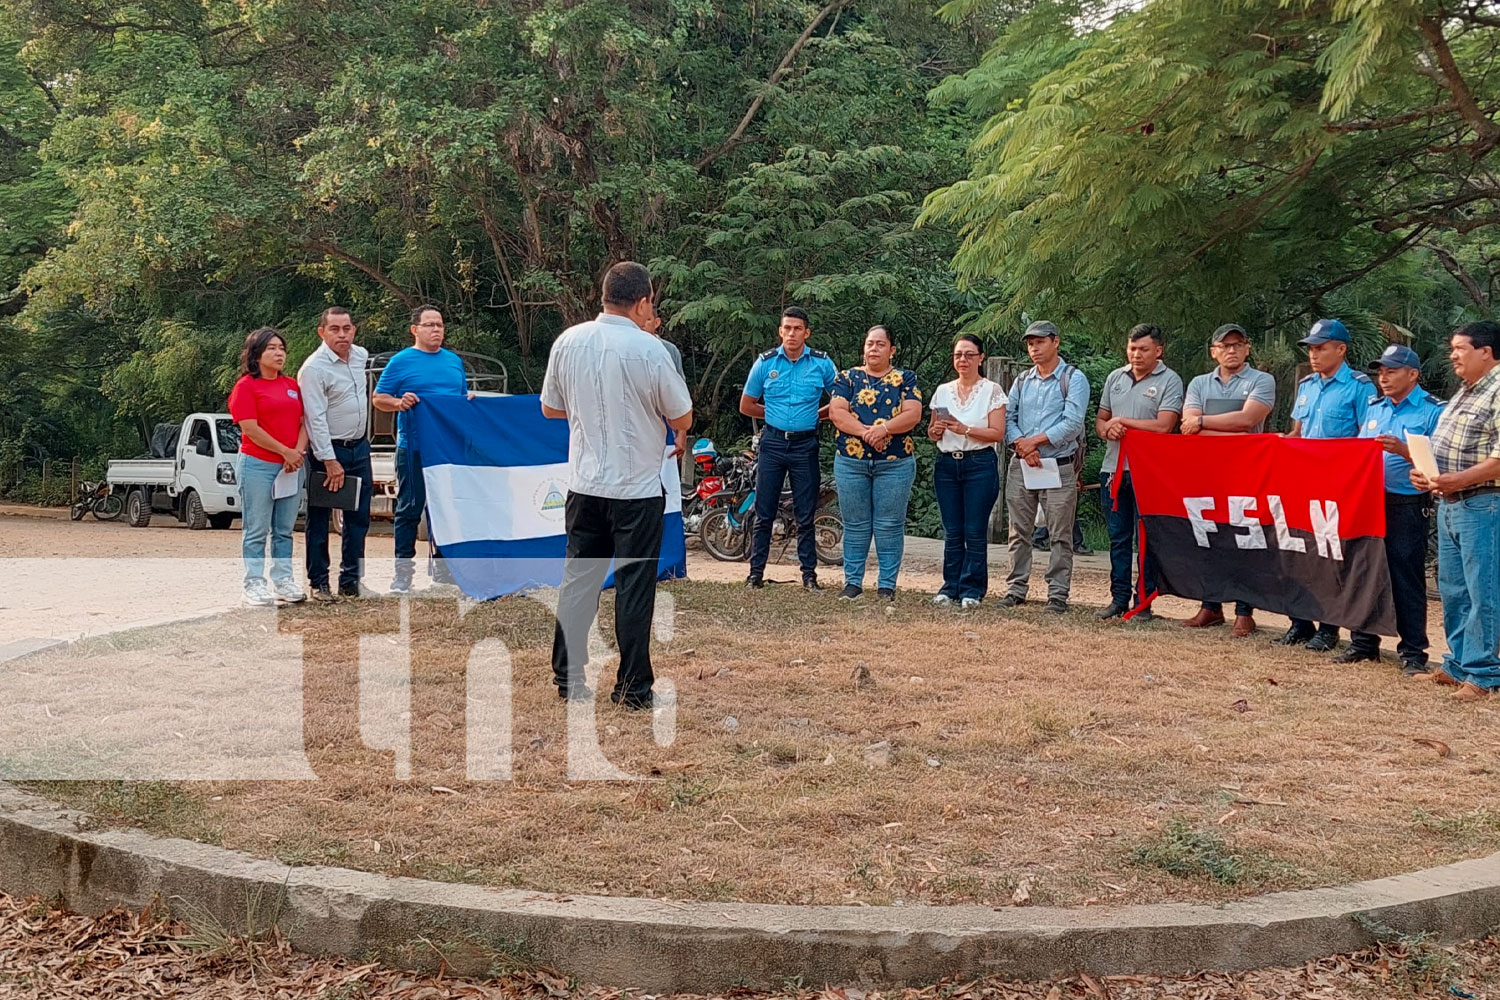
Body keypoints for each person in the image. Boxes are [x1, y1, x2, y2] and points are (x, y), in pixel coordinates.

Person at [541, 262, 694, 709]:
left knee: (579, 582)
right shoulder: (650, 350)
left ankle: (568, 678)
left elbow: (550, 409)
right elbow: (681, 417)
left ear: (603, 295)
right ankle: (632, 688)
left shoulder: (568, 341)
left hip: (585, 483)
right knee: (634, 587)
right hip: (637, 488)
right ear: (644, 301)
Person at [1410, 320, 1500, 702]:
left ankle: (1484, 674)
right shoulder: (1467, 390)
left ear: (1486, 351)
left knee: (1483, 590)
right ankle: (1458, 664)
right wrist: (1429, 475)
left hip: (1483, 503)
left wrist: (1457, 480)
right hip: (1450, 502)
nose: (1452, 355)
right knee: (1453, 588)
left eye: (1460, 348)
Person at [1341, 345, 1443, 672]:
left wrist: (1403, 451)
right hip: (1369, 502)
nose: (1383, 378)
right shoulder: (1374, 407)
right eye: (1381, 371)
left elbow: (1441, 464)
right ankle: (1363, 642)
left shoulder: (1431, 410)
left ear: (1413, 374)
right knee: (1365, 571)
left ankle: (1413, 652)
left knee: (1405, 577)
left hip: (1406, 504)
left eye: (1392, 371)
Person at [1179, 323, 1276, 636]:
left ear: (1247, 348)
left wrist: (1204, 424)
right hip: (1208, 472)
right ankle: (1210, 607)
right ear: (1214, 352)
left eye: (1237, 344)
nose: (1231, 350)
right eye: (1224, 345)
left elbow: (1249, 420)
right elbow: (1185, 426)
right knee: (1209, 536)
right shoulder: (1198, 383)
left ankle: (1245, 611)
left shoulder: (1262, 380)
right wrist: (1229, 431)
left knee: (1245, 538)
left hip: (1248, 472)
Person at [1282, 318, 1372, 651]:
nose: (1314, 355)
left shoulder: (1359, 387)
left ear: (1341, 349)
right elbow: (1298, 432)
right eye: (1311, 349)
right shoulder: (1306, 386)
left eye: (1321, 348)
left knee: (1331, 555)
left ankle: (1329, 627)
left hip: (1338, 485)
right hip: (1304, 483)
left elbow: (1366, 439)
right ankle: (1300, 621)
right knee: (1301, 552)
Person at [371, 305, 468, 594]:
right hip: (412, 446)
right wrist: (399, 403)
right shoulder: (401, 362)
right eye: (429, 325)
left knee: (447, 509)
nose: (436, 330)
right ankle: (403, 573)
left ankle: (444, 568)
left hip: (448, 449)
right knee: (410, 508)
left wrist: (470, 401)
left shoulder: (453, 362)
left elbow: (459, 400)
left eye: (439, 325)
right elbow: (379, 398)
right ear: (415, 329)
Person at [739, 306, 838, 590]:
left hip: (805, 444)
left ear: (806, 332)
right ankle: (755, 574)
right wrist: (772, 414)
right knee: (764, 511)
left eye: (797, 329)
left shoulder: (821, 364)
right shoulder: (765, 363)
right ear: (780, 331)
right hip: (772, 443)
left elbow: (842, 399)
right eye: (787, 328)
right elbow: (746, 405)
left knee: (806, 513)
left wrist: (815, 415)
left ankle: (809, 576)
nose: (791, 334)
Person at [1095, 324, 1184, 621]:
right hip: (1113, 469)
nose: (1136, 354)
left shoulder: (1170, 380)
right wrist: (1110, 428)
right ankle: (1118, 598)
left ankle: (1142, 601)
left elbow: (1164, 425)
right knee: (1118, 538)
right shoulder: (1115, 378)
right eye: (1132, 348)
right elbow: (1101, 422)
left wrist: (1124, 422)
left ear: (1158, 351)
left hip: (1149, 472)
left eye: (1143, 349)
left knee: (1145, 538)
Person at [829, 326, 922, 602]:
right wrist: (867, 434)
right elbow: (837, 412)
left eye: (880, 344)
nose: (873, 349)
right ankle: (853, 583)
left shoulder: (905, 378)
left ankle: (886, 585)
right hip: (851, 462)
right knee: (855, 524)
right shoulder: (847, 377)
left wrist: (884, 431)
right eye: (870, 343)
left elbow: (913, 414)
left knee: (889, 524)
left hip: (895, 463)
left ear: (891, 350)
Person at [1001, 320, 1089, 613]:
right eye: (1029, 343)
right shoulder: (1023, 380)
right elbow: (1008, 418)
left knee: (1060, 534)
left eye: (1039, 342)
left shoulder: (1073, 378)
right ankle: (1015, 588)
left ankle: (1058, 594)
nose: (1033, 348)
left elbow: (1073, 422)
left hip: (1059, 465)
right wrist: (1023, 447)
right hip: (1022, 464)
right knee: (1018, 530)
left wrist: (1035, 442)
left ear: (1055, 342)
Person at [227, 327, 307, 607]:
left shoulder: (292, 386)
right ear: (257, 353)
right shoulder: (246, 386)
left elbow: (303, 423)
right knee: (257, 527)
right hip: (258, 464)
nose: (278, 353)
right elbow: (250, 427)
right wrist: (284, 451)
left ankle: (284, 580)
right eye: (271, 348)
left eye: (281, 348)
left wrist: (296, 452)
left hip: (291, 466)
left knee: (284, 528)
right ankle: (253, 583)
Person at [298, 306, 372, 602]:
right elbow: (313, 418)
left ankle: (351, 581)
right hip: (327, 451)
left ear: (354, 329)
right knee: (320, 518)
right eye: (335, 329)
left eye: (347, 328)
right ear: (322, 332)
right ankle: (319, 582)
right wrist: (329, 460)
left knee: (359, 518)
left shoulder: (360, 356)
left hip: (359, 447)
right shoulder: (314, 368)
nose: (342, 334)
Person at [927, 333, 1006, 607]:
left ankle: (972, 589)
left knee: (974, 529)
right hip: (948, 464)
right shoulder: (943, 390)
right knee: (952, 529)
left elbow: (998, 433)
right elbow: (933, 432)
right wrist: (936, 430)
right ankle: (950, 586)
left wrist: (966, 429)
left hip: (979, 464)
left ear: (980, 358)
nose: (963, 359)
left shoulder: (992, 390)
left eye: (969, 354)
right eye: (958, 354)